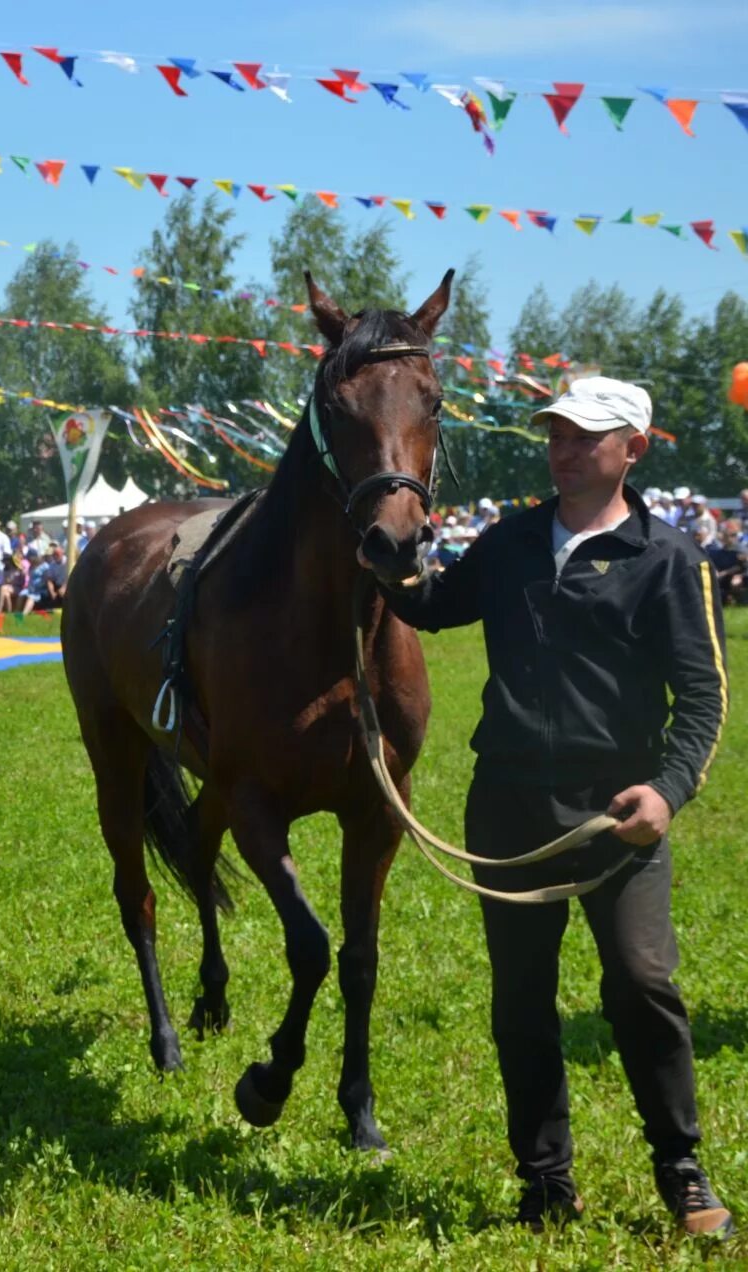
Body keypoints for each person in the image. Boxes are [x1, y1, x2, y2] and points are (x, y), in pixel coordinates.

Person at [375, 377, 733, 1238]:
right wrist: (387, 564)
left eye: (585, 438)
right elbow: (434, 605)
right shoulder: (510, 543)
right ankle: (545, 1180)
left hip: (618, 816)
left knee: (644, 986)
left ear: (632, 451)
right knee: (522, 999)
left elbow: (704, 696)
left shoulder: (669, 558)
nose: (564, 451)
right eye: (557, 436)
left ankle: (681, 1171)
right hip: (508, 808)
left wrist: (668, 790)